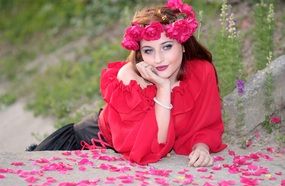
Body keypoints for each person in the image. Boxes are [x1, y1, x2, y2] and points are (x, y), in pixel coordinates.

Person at [27, 0, 227, 167]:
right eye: (148, 50)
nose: (158, 59)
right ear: (140, 53)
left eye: (167, 47)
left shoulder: (201, 71)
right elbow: (155, 146)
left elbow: (206, 122)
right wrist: (163, 88)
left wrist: (201, 146)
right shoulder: (130, 77)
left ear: (183, 45)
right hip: (89, 141)